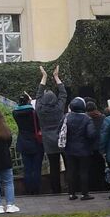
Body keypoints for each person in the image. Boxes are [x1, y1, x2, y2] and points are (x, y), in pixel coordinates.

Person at [36, 65, 68, 194]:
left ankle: (56, 190)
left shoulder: (40, 109)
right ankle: (72, 187)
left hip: (48, 141)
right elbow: (63, 93)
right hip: (62, 139)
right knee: (68, 164)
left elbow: (38, 95)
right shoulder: (59, 108)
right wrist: (56, 77)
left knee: (54, 167)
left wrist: (44, 77)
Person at [61, 96, 99, 201]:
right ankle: (84, 193)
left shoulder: (66, 117)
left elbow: (60, 131)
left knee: (71, 171)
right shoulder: (87, 118)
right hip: (84, 149)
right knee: (83, 171)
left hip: (69, 149)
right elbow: (91, 134)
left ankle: (71, 193)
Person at [13, 93, 42, 195]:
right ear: (28, 101)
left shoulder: (15, 113)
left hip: (23, 142)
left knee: (27, 168)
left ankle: (29, 189)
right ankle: (37, 189)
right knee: (37, 167)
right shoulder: (33, 112)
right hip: (35, 141)